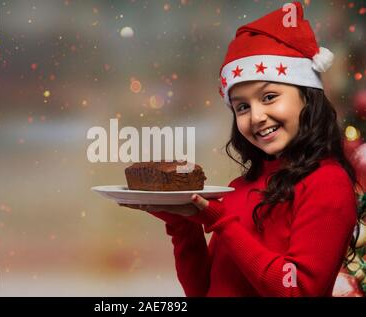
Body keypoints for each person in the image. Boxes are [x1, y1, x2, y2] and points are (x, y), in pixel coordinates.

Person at [119, 2, 362, 296]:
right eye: (243, 107)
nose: (256, 116)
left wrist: (220, 221)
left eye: (270, 97)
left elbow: (297, 290)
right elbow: (203, 290)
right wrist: (182, 224)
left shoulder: (327, 183)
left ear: (308, 98)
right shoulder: (239, 189)